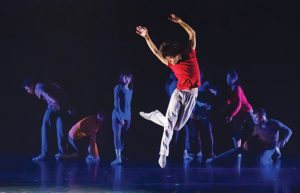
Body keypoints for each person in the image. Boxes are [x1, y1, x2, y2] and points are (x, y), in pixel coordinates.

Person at [136, 14, 201, 168]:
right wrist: (146, 36)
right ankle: (163, 154)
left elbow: (192, 34)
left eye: (171, 59)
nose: (169, 62)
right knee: (170, 124)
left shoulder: (190, 52)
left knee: (176, 126)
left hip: (191, 95)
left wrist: (181, 22)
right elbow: (155, 52)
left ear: (177, 55)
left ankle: (155, 115)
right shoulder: (170, 62)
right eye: (168, 60)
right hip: (178, 93)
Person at [207, 108, 292, 165]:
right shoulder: (257, 126)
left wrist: (283, 140)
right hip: (260, 145)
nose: (256, 119)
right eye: (255, 118)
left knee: (260, 161)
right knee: (238, 150)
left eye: (258, 117)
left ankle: (275, 154)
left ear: (263, 117)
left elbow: (289, 131)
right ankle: (214, 160)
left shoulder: (274, 123)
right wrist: (246, 143)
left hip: (270, 147)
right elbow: (253, 135)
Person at [23, 76, 72, 161]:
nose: (28, 91)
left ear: (31, 86)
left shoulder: (38, 88)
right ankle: (62, 153)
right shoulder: (43, 84)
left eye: (27, 89)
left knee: (45, 125)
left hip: (55, 104)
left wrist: (54, 102)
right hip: (63, 103)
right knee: (60, 126)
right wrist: (68, 106)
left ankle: (44, 154)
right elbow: (59, 89)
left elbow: (47, 94)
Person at [190, 80, 218, 161]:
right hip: (195, 114)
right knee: (196, 135)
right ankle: (199, 153)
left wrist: (213, 91)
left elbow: (216, 93)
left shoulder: (207, 84)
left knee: (208, 134)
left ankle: (210, 153)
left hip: (204, 114)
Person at [225, 70, 254, 149]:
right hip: (239, 113)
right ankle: (238, 151)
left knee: (256, 127)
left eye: (230, 77)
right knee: (236, 134)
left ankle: (271, 147)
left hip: (246, 110)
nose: (228, 79)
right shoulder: (229, 89)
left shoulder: (238, 88)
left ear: (234, 79)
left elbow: (239, 104)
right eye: (227, 77)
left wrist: (232, 115)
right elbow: (230, 101)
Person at [111, 72, 133, 165]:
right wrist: (120, 117)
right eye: (124, 77)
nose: (126, 78)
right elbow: (116, 103)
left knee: (124, 137)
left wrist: (128, 117)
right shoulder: (118, 87)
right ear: (121, 78)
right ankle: (118, 157)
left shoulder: (131, 90)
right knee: (117, 136)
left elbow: (128, 105)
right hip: (117, 115)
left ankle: (121, 154)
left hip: (127, 116)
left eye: (128, 77)